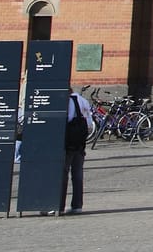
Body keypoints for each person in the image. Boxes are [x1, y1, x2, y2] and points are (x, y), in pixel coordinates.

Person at [61, 87, 97, 215]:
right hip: (80, 144)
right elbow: (89, 124)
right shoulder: (83, 100)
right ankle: (77, 205)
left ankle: (59, 205)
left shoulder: (67, 101)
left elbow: (65, 120)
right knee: (78, 175)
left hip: (68, 143)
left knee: (62, 173)